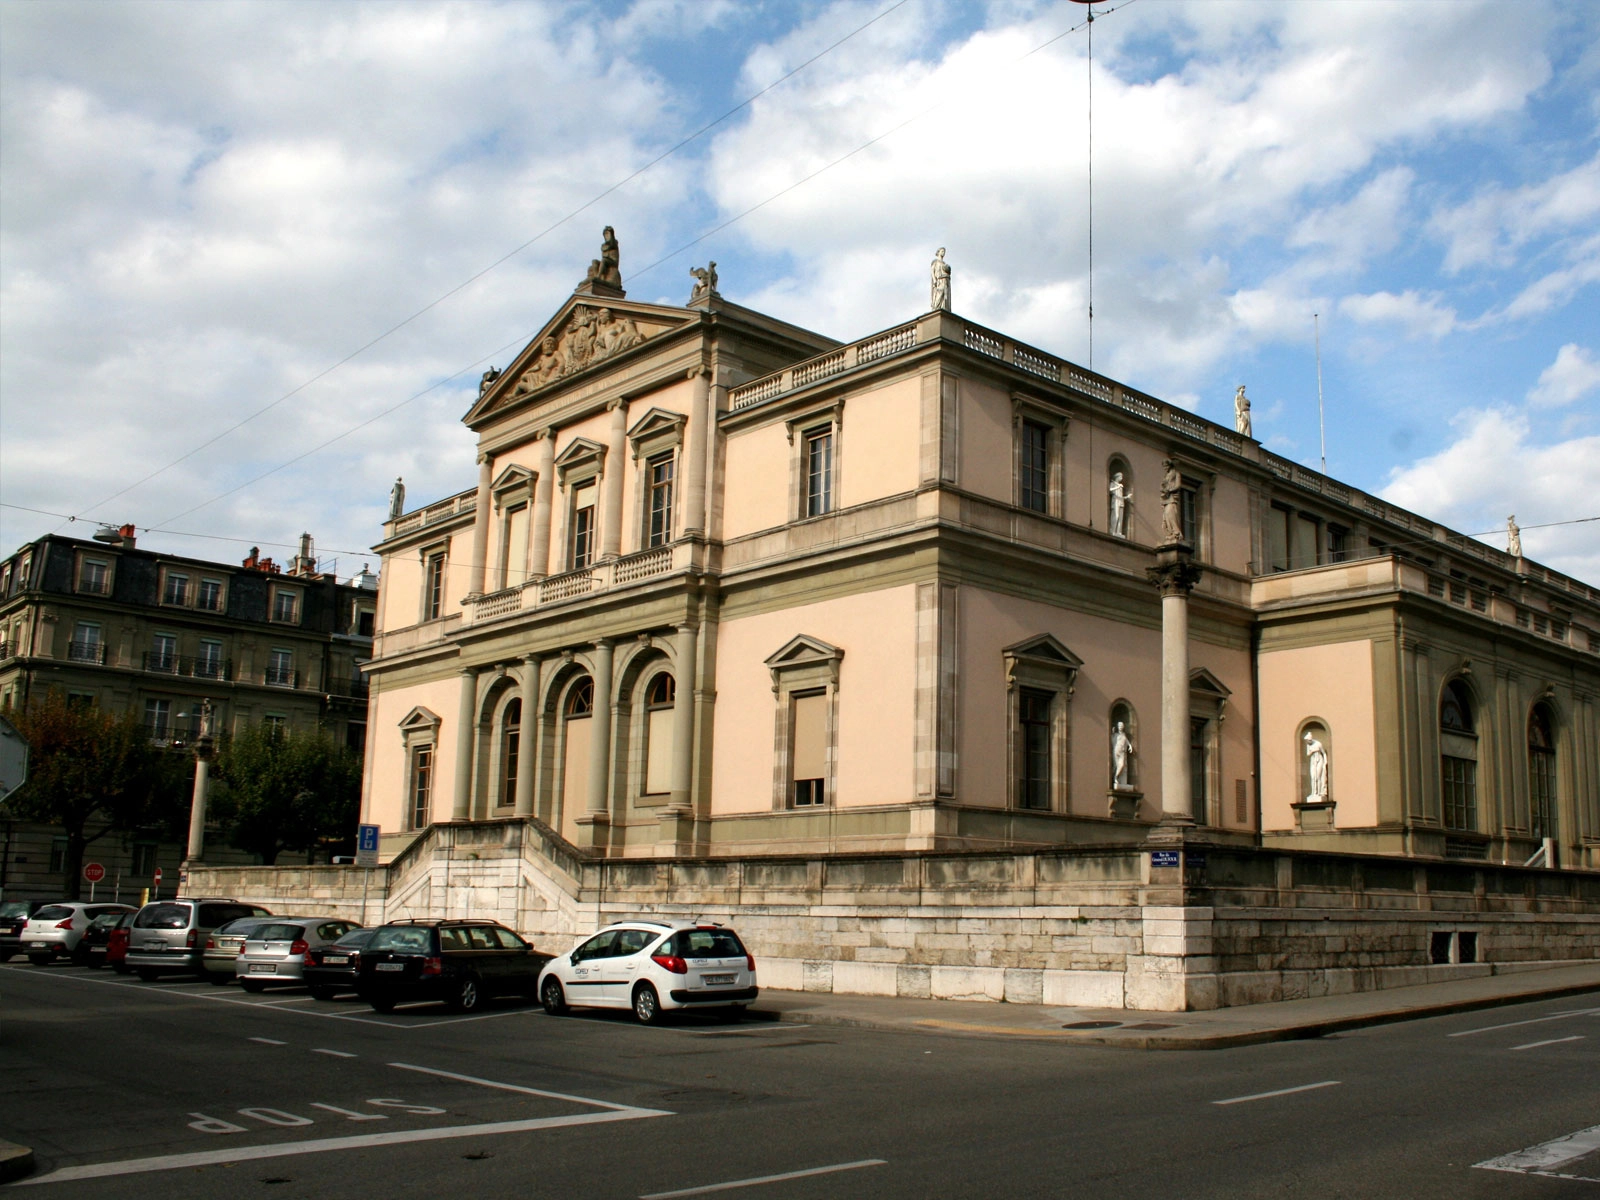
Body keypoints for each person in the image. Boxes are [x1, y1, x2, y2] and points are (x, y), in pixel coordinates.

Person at [1160, 460, 1184, 544]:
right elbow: (1163, 485)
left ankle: (1176, 532)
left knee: (1171, 513)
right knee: (1166, 515)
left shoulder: (1176, 474)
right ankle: (1171, 532)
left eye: (1166, 466)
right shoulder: (1166, 476)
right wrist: (1163, 490)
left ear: (1170, 465)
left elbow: (1178, 485)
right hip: (1166, 498)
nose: (1165, 468)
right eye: (1164, 466)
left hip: (1172, 497)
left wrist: (1170, 490)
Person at [1303, 730, 1328, 802]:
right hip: (1313, 760)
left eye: (1308, 741)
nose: (1308, 742)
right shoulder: (1308, 745)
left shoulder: (1318, 744)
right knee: (1313, 777)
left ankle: (1319, 792)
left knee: (1318, 776)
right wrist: (1313, 751)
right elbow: (1308, 754)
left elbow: (1323, 753)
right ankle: (1313, 792)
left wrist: (1325, 761)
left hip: (1319, 759)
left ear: (1310, 739)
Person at [1111, 722, 1134, 790]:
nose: (1120, 726)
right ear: (1117, 726)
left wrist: (1130, 746)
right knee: (1116, 766)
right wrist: (1112, 733)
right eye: (1119, 725)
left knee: (1122, 765)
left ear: (1123, 727)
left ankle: (1116, 777)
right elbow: (1112, 740)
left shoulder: (1124, 735)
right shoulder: (1115, 734)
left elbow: (1127, 741)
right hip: (1116, 751)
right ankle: (1115, 779)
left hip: (1123, 752)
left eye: (1122, 725)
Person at [1108, 472, 1130, 538]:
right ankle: (1113, 531)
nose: (1122, 478)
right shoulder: (1113, 483)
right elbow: (1110, 490)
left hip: (1120, 501)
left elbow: (1120, 496)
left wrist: (1126, 497)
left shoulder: (1120, 486)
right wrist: (1117, 487)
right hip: (1115, 501)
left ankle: (1118, 532)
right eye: (1121, 477)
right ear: (1117, 477)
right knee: (1116, 516)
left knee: (1120, 518)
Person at [930, 247, 951, 312]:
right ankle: (936, 308)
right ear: (938, 252)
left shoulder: (944, 263)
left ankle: (944, 308)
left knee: (945, 296)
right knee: (939, 294)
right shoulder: (935, 262)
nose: (943, 253)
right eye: (942, 251)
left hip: (946, 280)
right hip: (939, 280)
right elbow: (932, 271)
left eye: (944, 252)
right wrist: (934, 280)